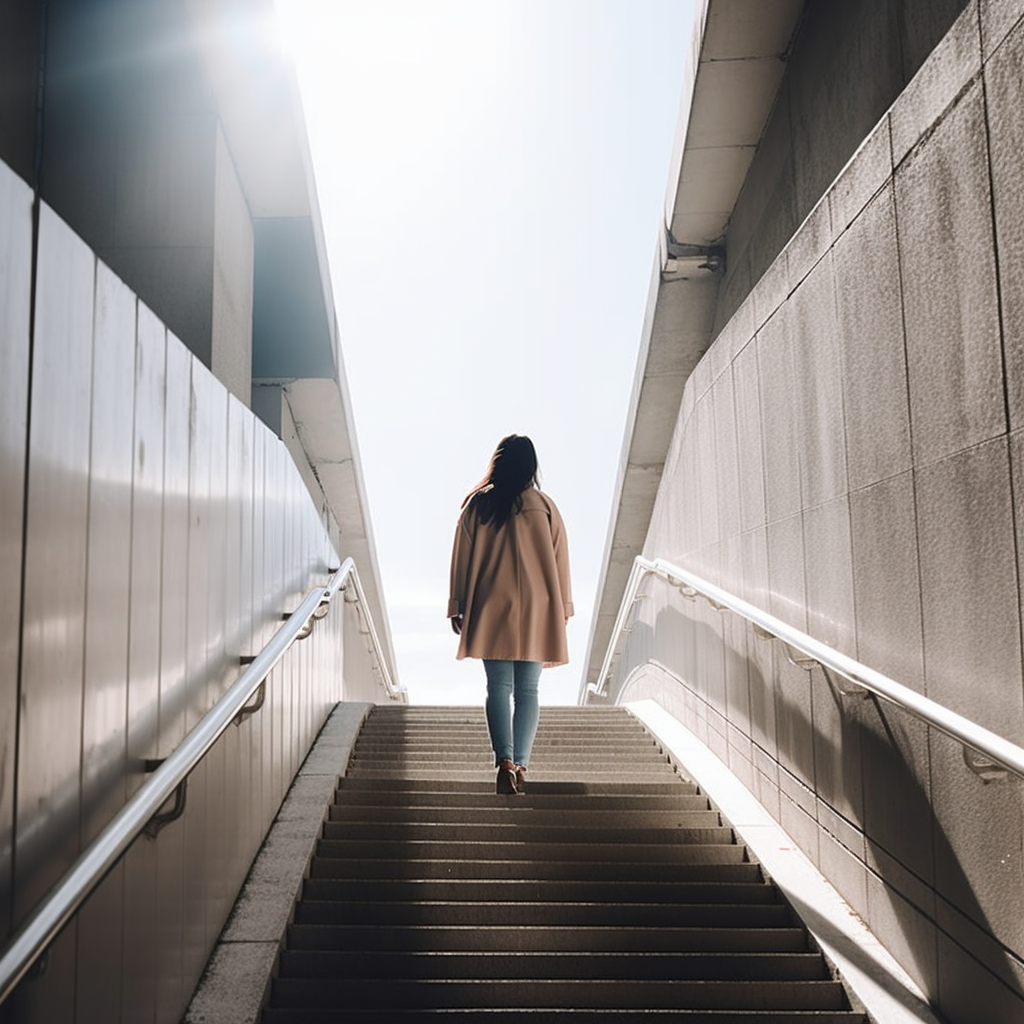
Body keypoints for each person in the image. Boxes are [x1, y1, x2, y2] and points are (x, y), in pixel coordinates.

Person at [448, 434, 573, 795]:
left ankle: (503, 760)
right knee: (529, 690)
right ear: (532, 466)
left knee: (498, 687)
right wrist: (563, 607)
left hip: (490, 603)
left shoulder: (477, 506)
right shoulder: (545, 506)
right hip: (538, 605)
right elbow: (560, 559)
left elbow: (462, 556)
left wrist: (457, 604)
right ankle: (520, 765)